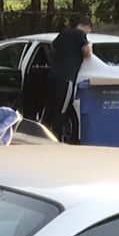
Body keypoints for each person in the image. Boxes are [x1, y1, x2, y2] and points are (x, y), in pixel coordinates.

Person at [45, 13, 93, 142]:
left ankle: (45, 135)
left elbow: (52, 47)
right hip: (66, 79)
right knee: (62, 111)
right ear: (87, 27)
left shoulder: (63, 34)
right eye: (89, 31)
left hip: (53, 76)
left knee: (50, 108)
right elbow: (87, 53)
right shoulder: (80, 35)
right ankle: (56, 139)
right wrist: (90, 45)